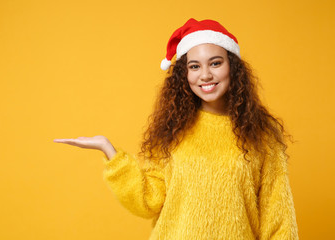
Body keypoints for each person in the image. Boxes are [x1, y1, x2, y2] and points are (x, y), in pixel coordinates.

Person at [54, 18, 299, 239]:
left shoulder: (262, 134)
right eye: (194, 67)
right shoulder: (172, 131)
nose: (205, 75)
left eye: (215, 63)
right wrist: (109, 152)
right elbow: (148, 201)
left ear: (232, 67)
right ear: (184, 74)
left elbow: (278, 217)